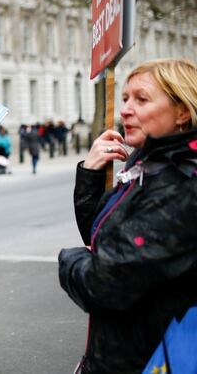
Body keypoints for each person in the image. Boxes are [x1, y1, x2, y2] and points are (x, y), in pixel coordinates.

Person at [58, 58, 197, 373]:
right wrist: (91, 175)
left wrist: (69, 261)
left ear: (182, 112)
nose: (125, 110)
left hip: (152, 359)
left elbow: (104, 282)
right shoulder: (151, 165)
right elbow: (103, 235)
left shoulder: (181, 182)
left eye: (142, 99)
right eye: (125, 99)